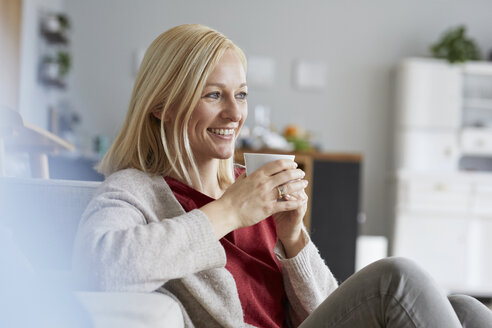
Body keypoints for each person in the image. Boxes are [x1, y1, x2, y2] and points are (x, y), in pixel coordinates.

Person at [72, 24, 492, 328]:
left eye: (241, 95)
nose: (235, 114)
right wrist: (228, 213)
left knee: (466, 309)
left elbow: (327, 309)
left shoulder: (249, 183)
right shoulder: (136, 190)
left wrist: (293, 238)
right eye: (213, 94)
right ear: (161, 106)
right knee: (395, 280)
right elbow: (101, 267)